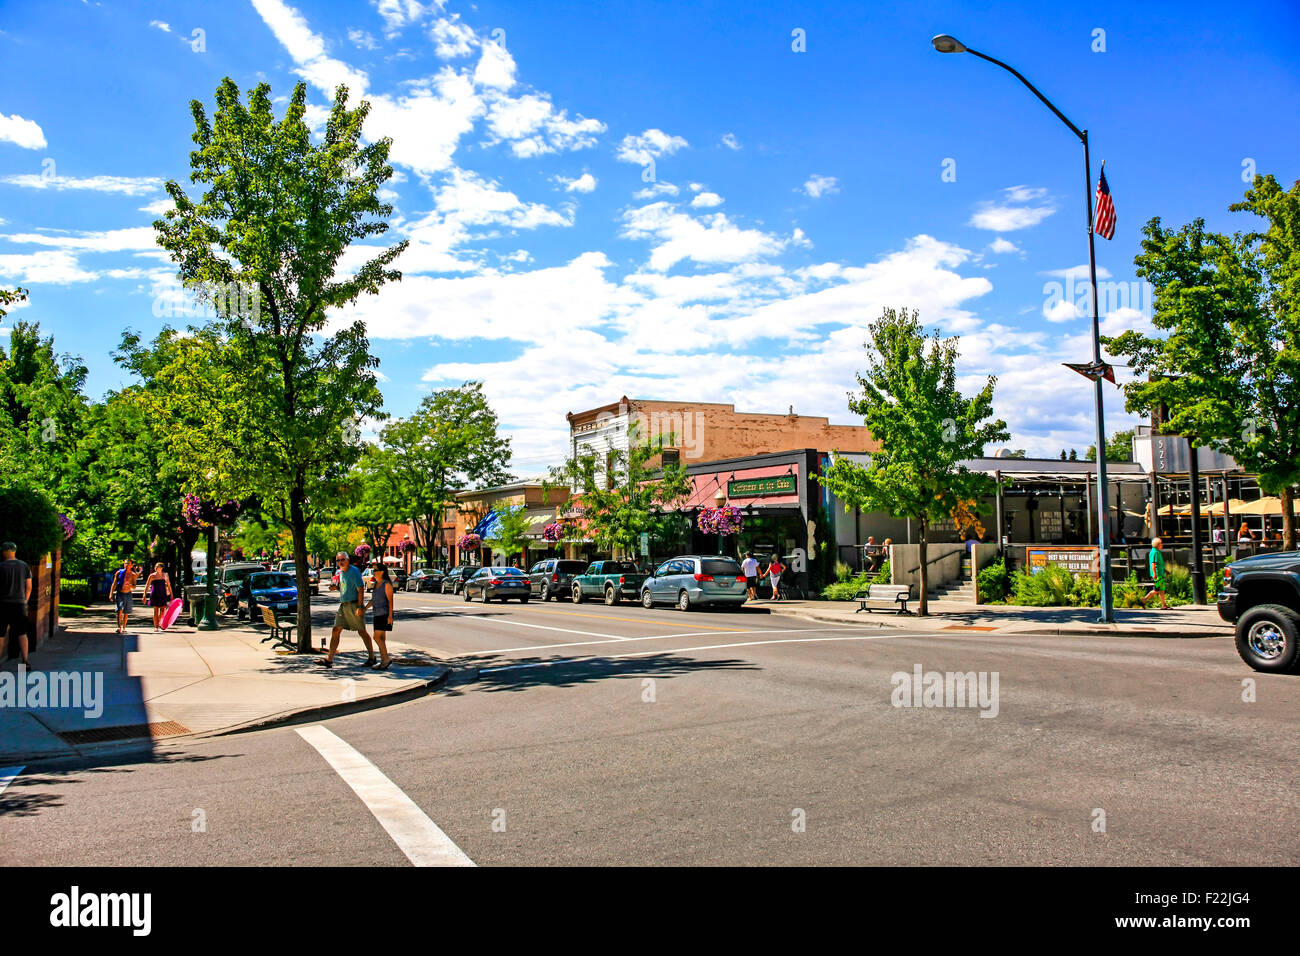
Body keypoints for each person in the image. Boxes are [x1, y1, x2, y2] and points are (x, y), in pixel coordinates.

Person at [320, 552, 375, 669]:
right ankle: (329, 659)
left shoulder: (354, 571)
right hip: (343, 605)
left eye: (343, 559)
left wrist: (360, 607)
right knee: (336, 630)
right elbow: (343, 587)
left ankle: (372, 657)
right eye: (338, 560)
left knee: (361, 631)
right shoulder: (340, 573)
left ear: (348, 560)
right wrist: (336, 588)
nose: (340, 562)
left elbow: (360, 589)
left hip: (354, 605)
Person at [0, 542, 32, 667]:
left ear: (6, 551)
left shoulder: (1, 566)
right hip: (19, 603)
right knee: (22, 633)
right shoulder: (24, 566)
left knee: (0, 633)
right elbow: (28, 586)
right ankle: (25, 661)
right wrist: (25, 601)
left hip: (2, 604)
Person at [366, 564, 395, 671]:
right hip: (376, 613)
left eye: (375, 570)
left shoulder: (386, 584)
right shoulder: (376, 584)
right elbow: (373, 600)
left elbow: (391, 601)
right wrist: (365, 608)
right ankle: (383, 661)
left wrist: (390, 616)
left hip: (384, 614)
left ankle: (386, 658)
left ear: (382, 572)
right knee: (381, 638)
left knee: (376, 637)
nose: (373, 572)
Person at [108, 558, 140, 635]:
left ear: (132, 565)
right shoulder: (119, 572)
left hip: (128, 594)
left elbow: (134, 586)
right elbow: (114, 583)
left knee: (126, 612)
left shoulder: (133, 575)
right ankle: (119, 627)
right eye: (125, 563)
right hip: (120, 593)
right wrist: (111, 594)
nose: (127, 565)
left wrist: (130, 585)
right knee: (120, 609)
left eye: (128, 564)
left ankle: (124, 627)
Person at [144, 562, 174, 631]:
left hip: (162, 593)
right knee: (156, 611)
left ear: (161, 568)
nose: (156, 568)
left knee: (163, 610)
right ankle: (156, 626)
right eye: (156, 566)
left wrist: (171, 594)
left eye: (158, 567)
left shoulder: (165, 575)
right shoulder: (152, 576)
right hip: (155, 594)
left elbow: (169, 584)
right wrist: (144, 595)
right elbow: (147, 585)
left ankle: (159, 622)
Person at [1143, 537, 1168, 609]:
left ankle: (1164, 605)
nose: (1162, 545)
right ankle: (1144, 599)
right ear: (1157, 544)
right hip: (1158, 574)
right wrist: (1154, 573)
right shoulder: (1155, 552)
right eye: (1161, 543)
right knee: (1158, 589)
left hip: (1160, 573)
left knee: (1161, 590)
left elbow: (1159, 564)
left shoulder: (1157, 552)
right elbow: (1153, 563)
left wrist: (1165, 570)